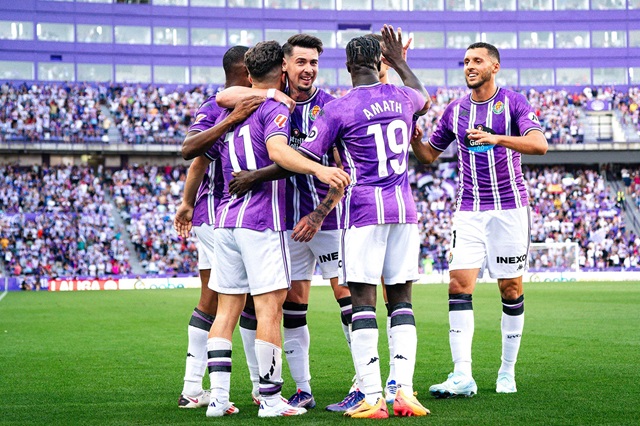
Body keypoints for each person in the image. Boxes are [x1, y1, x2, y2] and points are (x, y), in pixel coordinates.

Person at [287, 27, 431, 418]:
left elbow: (308, 155)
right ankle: (404, 392)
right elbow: (425, 98)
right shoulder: (403, 97)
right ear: (379, 61)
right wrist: (399, 62)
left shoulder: (338, 108)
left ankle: (371, 396)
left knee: (363, 301)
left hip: (363, 212)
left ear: (349, 64)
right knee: (401, 301)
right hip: (404, 211)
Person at [204, 40, 350, 418]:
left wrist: (319, 211)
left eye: (313, 62)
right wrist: (317, 168)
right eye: (300, 61)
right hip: (268, 220)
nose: (308, 68)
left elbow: (222, 97)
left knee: (228, 311)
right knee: (275, 309)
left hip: (235, 220)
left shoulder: (242, 106)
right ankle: (275, 397)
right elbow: (279, 152)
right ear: (284, 67)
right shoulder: (273, 106)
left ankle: (218, 399)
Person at [410, 42, 548, 397]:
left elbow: (539, 144)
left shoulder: (513, 102)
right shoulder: (455, 110)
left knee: (511, 288)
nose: (469, 66)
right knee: (458, 285)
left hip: (510, 209)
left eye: (477, 60)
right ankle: (462, 375)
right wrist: (415, 139)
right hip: (469, 209)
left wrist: (496, 138)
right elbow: (428, 156)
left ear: (494, 67)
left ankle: (507, 371)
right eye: (466, 61)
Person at [173, 45, 263, 409]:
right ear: (245, 72)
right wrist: (188, 203)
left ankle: (198, 388)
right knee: (229, 300)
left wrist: (186, 203)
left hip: (224, 216)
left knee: (231, 301)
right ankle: (212, 388)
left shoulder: (249, 101)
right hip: (217, 216)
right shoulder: (215, 106)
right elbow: (193, 154)